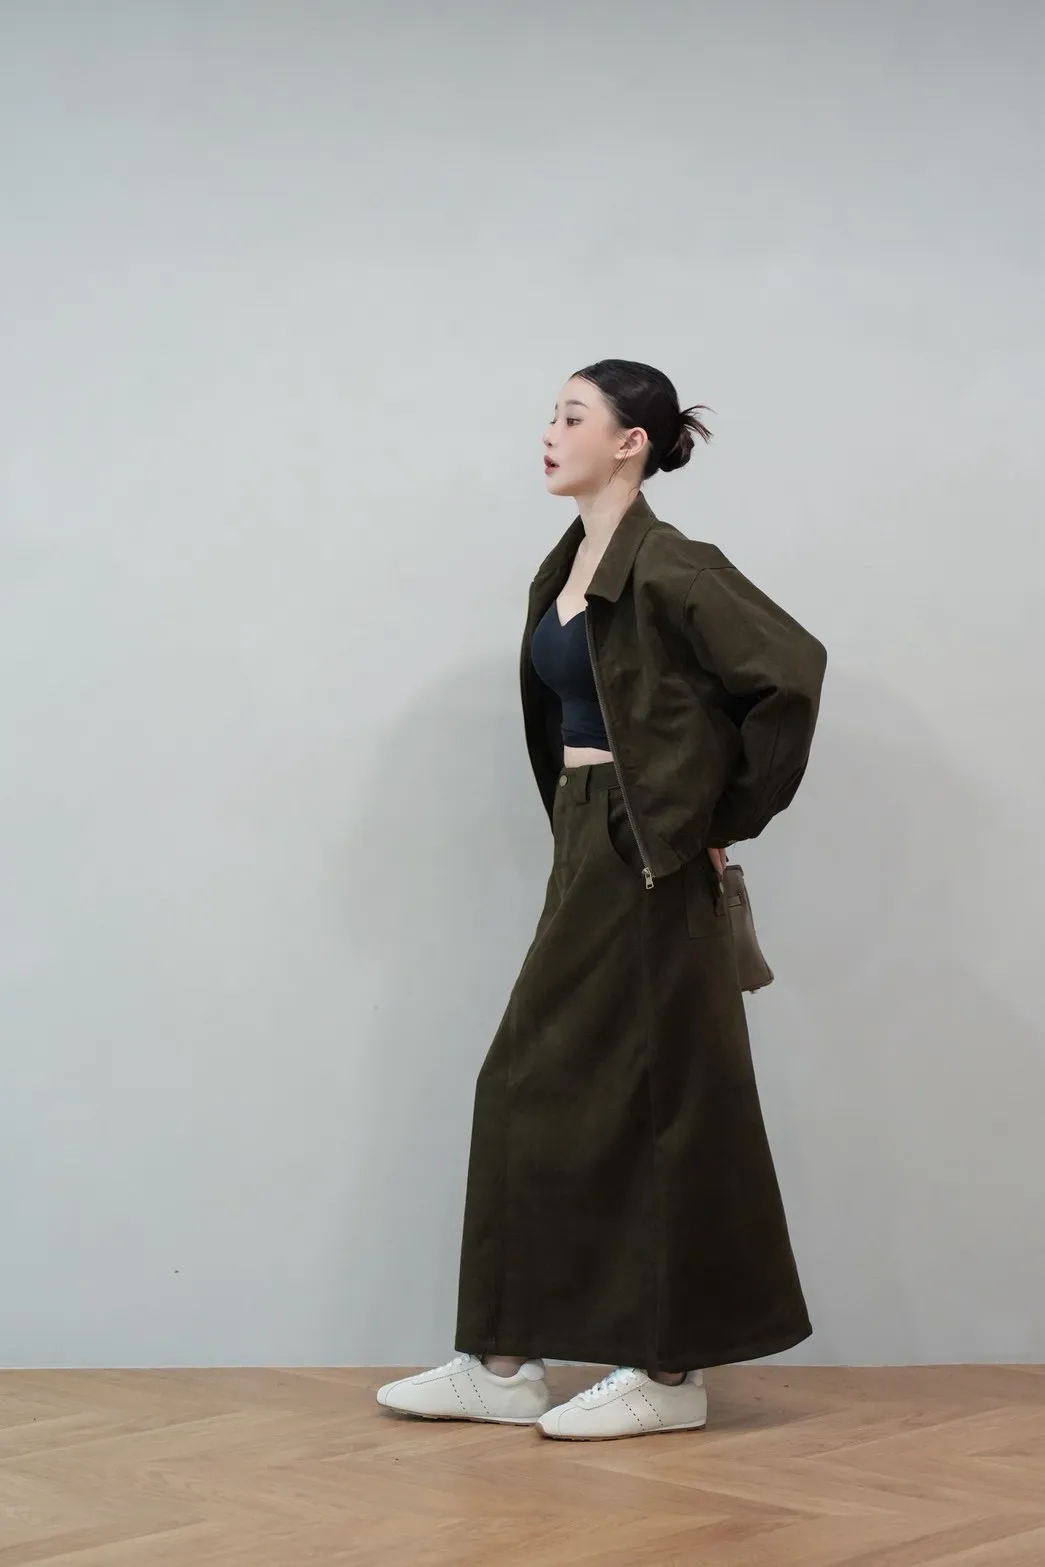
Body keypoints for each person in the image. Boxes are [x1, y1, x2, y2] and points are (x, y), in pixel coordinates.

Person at [377, 359, 828, 1440]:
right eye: (551, 414)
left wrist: (712, 815)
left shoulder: (669, 563)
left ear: (630, 441)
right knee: (544, 1086)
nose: (549, 430)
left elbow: (791, 671)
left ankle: (664, 1374)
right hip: (589, 838)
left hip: (643, 849)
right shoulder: (569, 562)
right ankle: (505, 1361)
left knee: (658, 1098)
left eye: (571, 415)